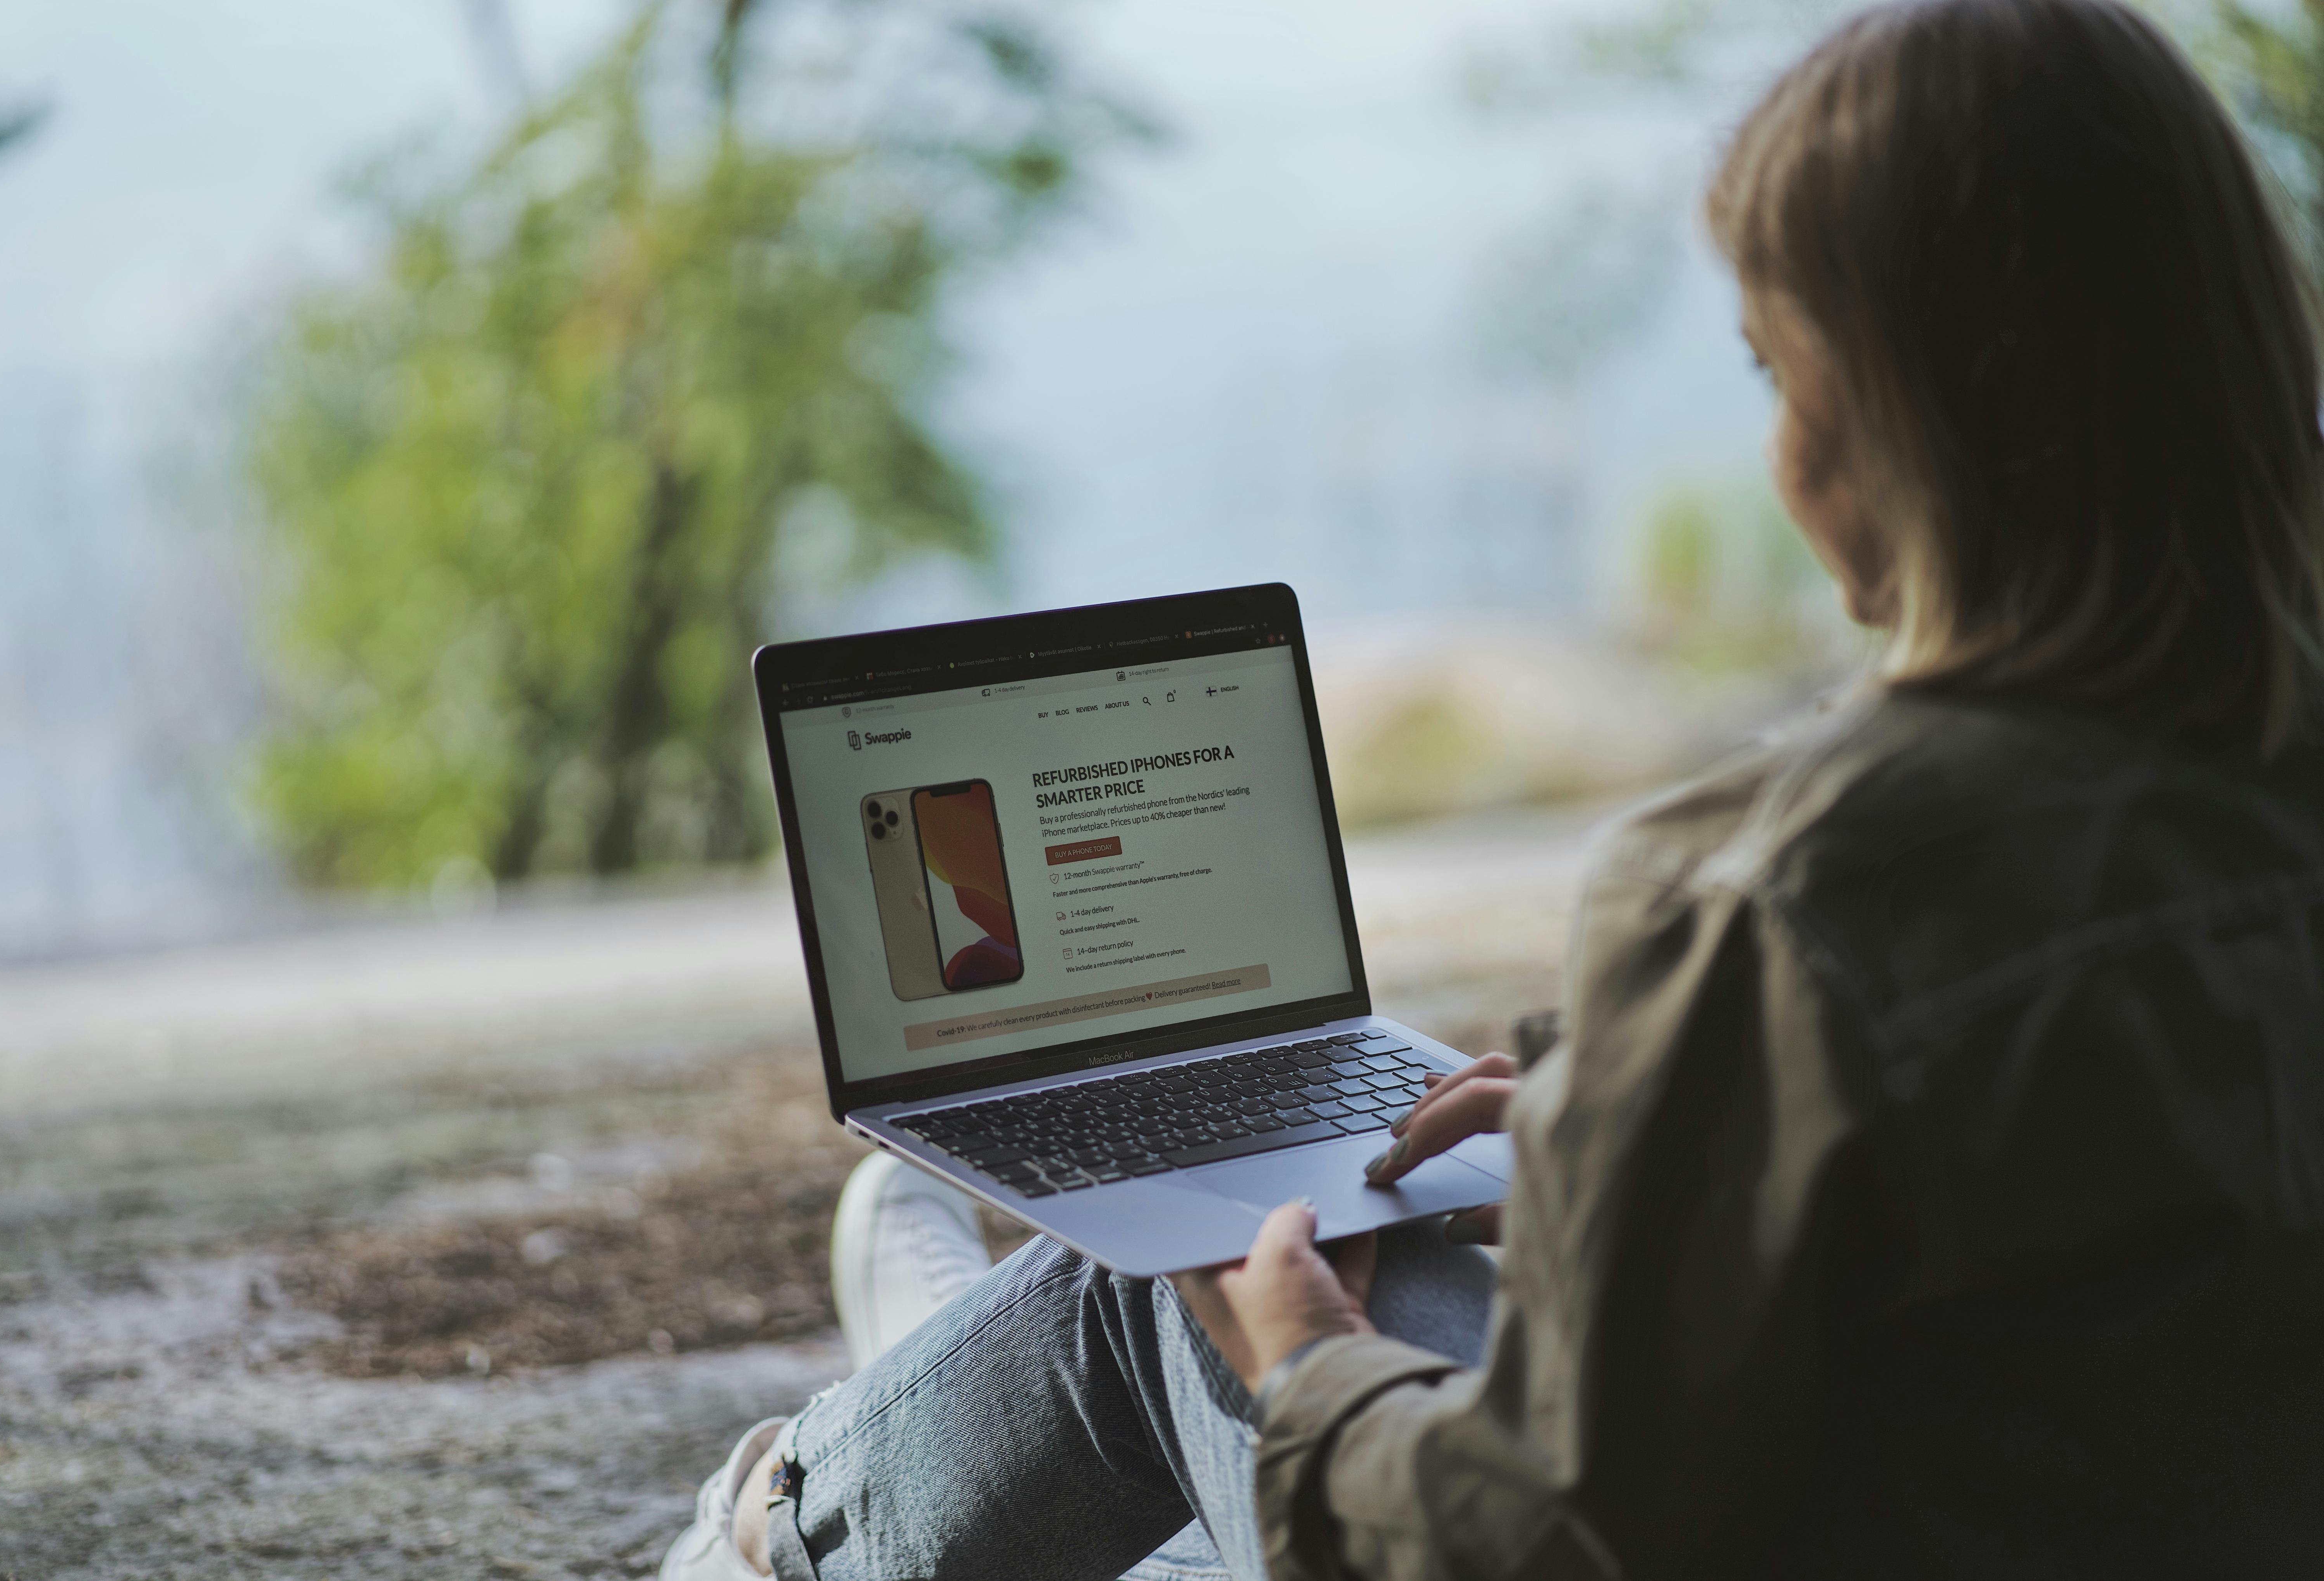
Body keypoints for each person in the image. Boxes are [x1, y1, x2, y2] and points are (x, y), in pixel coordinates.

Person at [665, 0, 2324, 1574]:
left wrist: (1310, 1362)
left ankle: (786, 1517)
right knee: (1348, 1256)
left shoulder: (1779, 892)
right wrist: (1677, 1138)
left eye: (1772, 374)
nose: (1777, 453)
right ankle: (900, 1413)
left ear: (1907, 419)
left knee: (1185, 1279)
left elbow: (1534, 1548)